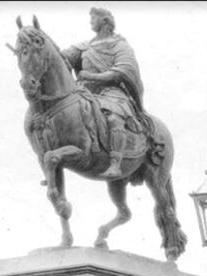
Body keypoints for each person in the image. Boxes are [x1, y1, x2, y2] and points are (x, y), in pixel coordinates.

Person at [61, 7, 149, 179]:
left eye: (94, 18)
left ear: (105, 21)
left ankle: (115, 163)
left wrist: (93, 76)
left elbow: (122, 70)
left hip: (112, 93)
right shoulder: (84, 46)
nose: (90, 21)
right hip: (86, 94)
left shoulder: (120, 45)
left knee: (114, 118)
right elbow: (62, 57)